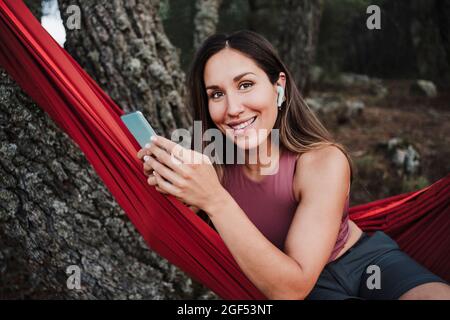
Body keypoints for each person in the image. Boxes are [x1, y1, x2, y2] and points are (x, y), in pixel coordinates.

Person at [136, 30, 449, 300]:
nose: (233, 108)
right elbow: (291, 290)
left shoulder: (322, 161)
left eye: (245, 85)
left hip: (369, 262)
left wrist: (214, 199)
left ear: (278, 86)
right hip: (301, 289)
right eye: (216, 94)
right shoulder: (207, 167)